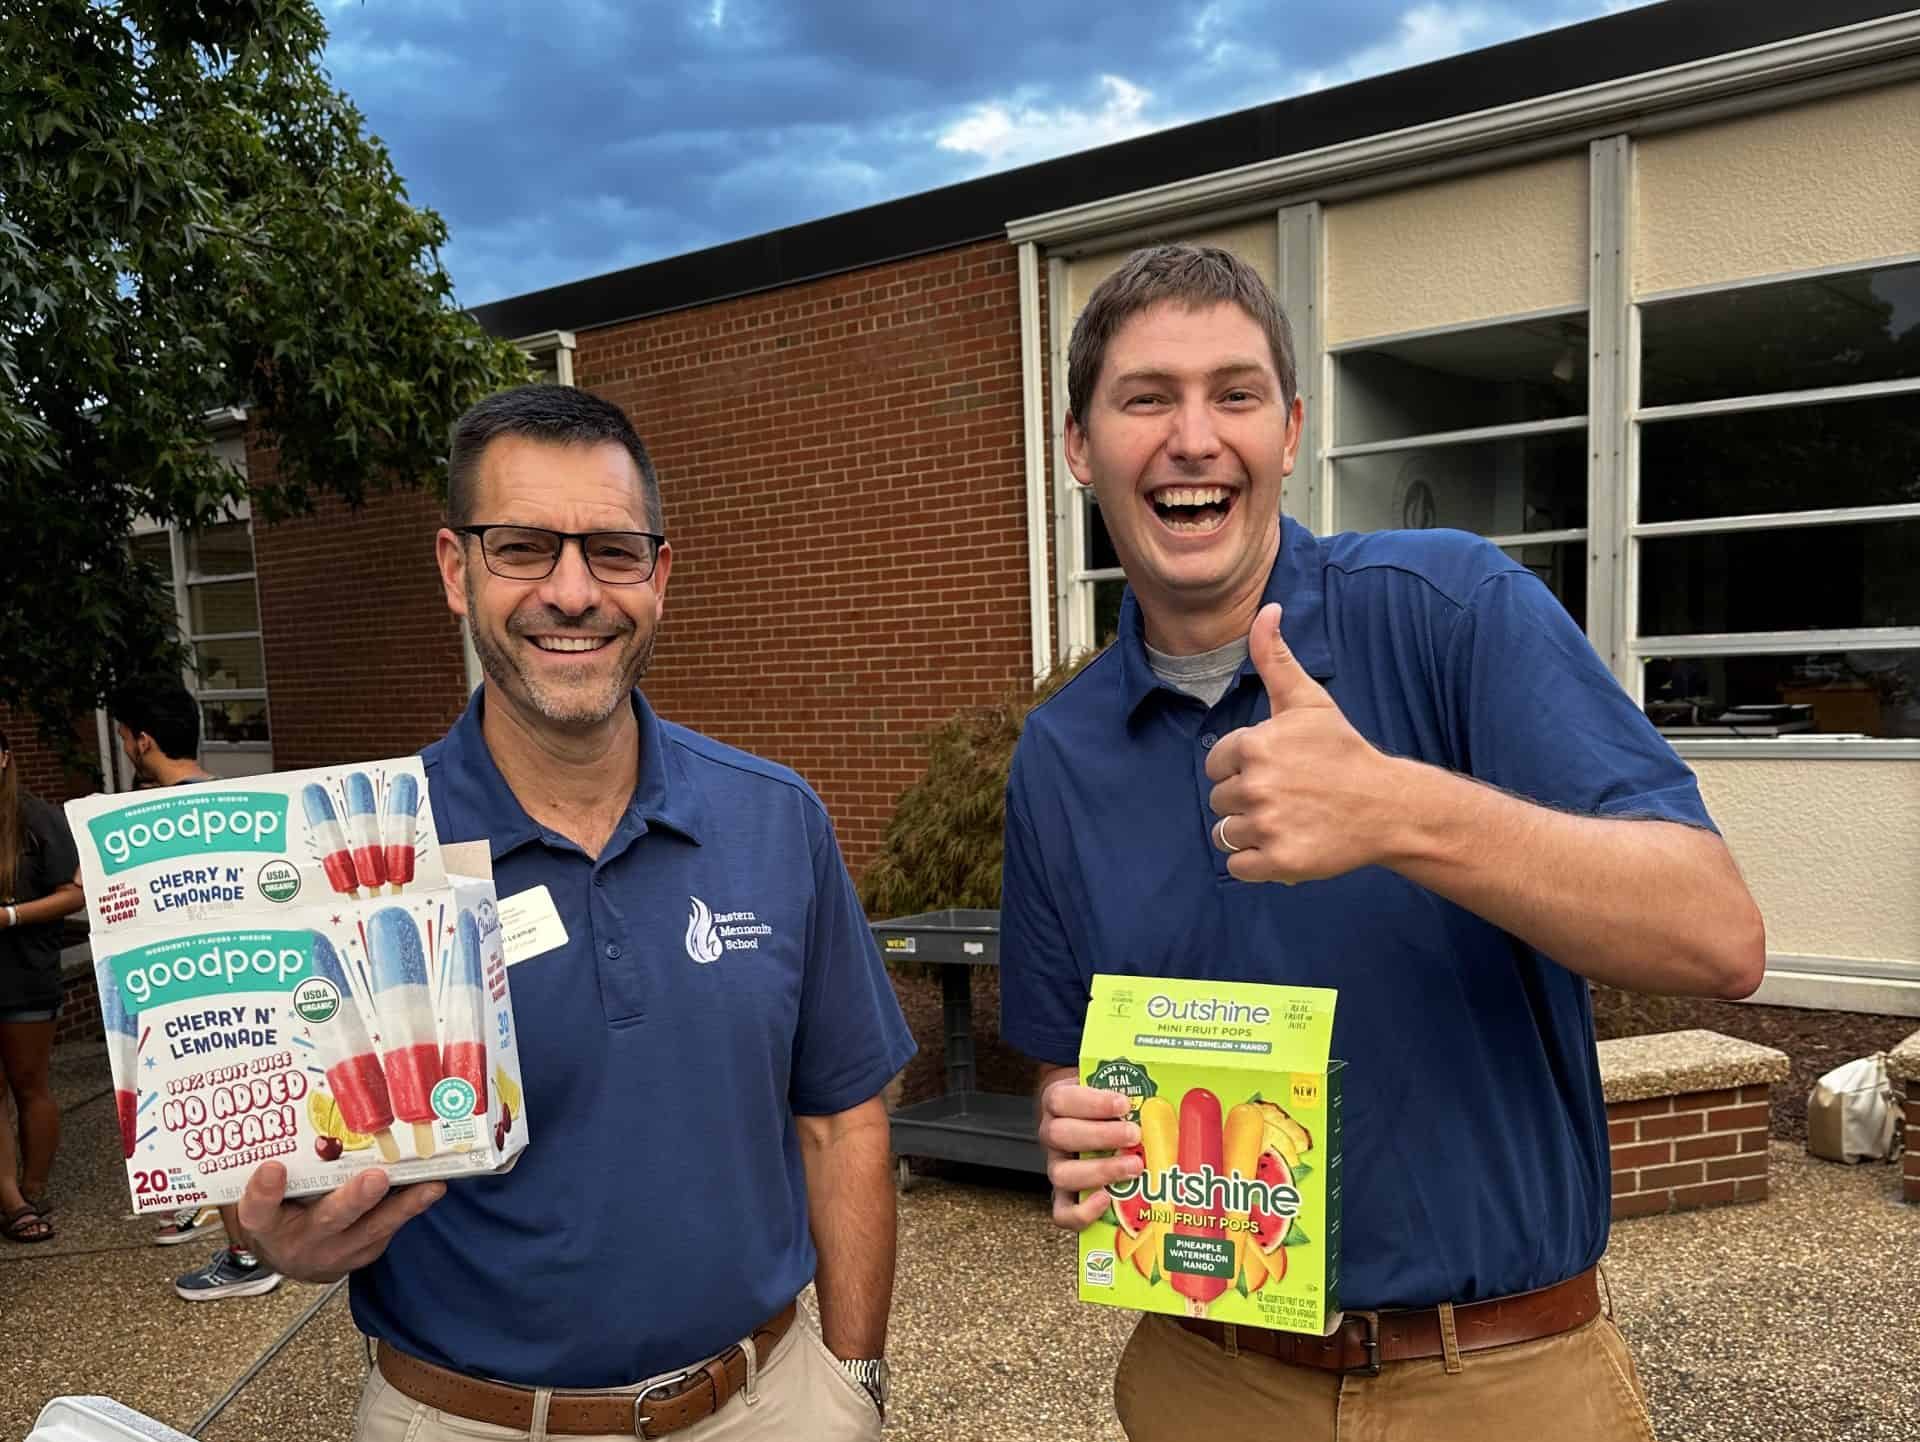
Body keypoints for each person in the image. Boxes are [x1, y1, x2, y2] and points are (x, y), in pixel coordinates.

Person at [1000, 244, 1767, 1442]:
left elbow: (1716, 933)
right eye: (1147, 397)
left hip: (1498, 1378)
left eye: (1235, 394)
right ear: (1079, 447)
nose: (1193, 437)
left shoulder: (1453, 610)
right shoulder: (1059, 753)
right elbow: (1063, 1056)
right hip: (1207, 1372)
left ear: (1291, 430)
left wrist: (1401, 811)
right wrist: (1072, 1118)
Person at [237, 384, 914, 1441]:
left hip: (766, 1406)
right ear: (457, 569)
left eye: (609, 549)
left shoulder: (774, 820)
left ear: (659, 574)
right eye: (522, 548)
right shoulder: (357, 861)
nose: (570, 590)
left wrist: (854, 1383)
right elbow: (290, 1161)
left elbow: (842, 1117)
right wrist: (285, 1232)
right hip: (468, 1420)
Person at [105, 678, 288, 1298]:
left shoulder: (141, 821)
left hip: (189, 994)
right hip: (257, 985)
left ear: (142, 741)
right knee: (250, 1119)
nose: (127, 745)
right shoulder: (237, 799)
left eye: (125, 735)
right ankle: (252, 1245)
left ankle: (245, 1258)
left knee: (215, 1127)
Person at [0, 729, 85, 1243]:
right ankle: (10, 1199)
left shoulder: (36, 819)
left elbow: (74, 894)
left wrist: (9, 916)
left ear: (6, 756)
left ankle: (32, 1188)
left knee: (30, 1087)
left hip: (25, 976)